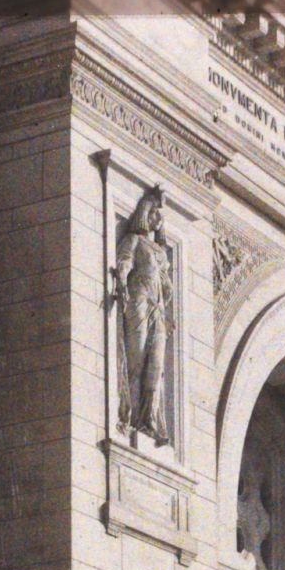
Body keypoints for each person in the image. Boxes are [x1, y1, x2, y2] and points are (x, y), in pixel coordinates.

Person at [114, 185, 174, 444]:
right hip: (139, 303)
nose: (156, 219)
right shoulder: (134, 240)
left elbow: (166, 287)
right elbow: (125, 262)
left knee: (156, 366)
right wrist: (121, 279)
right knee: (136, 359)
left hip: (158, 312)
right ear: (144, 214)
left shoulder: (161, 253)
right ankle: (128, 417)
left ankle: (149, 421)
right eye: (153, 213)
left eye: (159, 217)